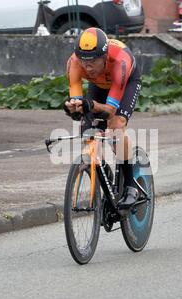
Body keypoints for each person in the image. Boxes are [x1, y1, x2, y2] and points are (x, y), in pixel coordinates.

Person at [63, 27, 142, 213]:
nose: (87, 66)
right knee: (87, 135)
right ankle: (103, 175)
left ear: (105, 56)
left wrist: (91, 105)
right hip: (98, 85)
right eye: (83, 60)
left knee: (115, 127)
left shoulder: (119, 61)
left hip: (125, 82)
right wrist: (74, 109)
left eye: (92, 61)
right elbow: (78, 104)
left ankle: (130, 185)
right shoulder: (74, 63)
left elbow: (110, 111)